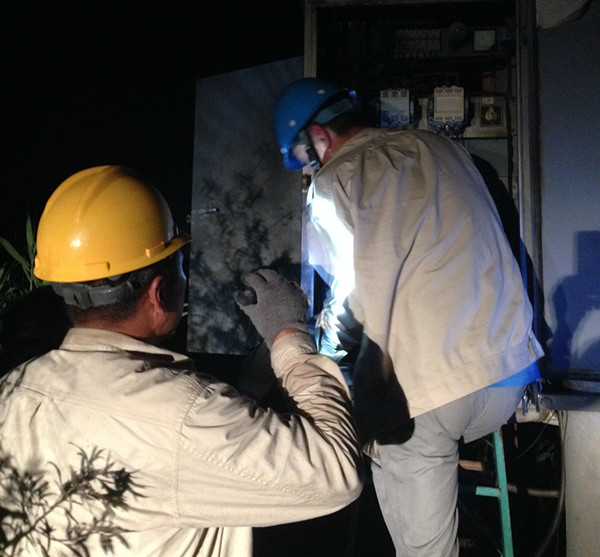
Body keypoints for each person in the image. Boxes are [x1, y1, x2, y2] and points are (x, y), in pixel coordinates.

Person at [0, 165, 363, 557]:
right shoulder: (184, 414)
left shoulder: (13, 392)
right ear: (159, 293)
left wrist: (244, 395)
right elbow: (335, 470)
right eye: (180, 265)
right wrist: (288, 335)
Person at [273, 77, 545, 556]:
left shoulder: (334, 183)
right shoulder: (442, 147)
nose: (311, 167)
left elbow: (348, 296)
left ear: (318, 136)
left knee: (415, 520)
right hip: (508, 374)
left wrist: (323, 355)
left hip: (431, 395)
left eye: (305, 157)